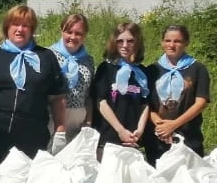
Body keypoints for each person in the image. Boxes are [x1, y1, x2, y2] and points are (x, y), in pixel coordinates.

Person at [0, 5, 67, 177]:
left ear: (32, 30)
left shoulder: (46, 57)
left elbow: (57, 97)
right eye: (15, 24)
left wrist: (60, 129)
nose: (20, 29)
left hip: (31, 135)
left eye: (26, 25)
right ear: (7, 27)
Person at [145, 24, 210, 164]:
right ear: (162, 42)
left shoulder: (198, 69)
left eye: (177, 41)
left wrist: (173, 125)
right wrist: (161, 126)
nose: (171, 45)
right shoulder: (152, 70)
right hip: (158, 138)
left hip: (188, 137)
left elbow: (201, 102)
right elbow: (146, 104)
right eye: (167, 40)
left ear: (186, 43)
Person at [91, 22, 151, 155]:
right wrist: (120, 130)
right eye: (120, 41)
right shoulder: (106, 68)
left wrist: (140, 130)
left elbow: (145, 104)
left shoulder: (141, 72)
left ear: (137, 42)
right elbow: (101, 103)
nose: (125, 45)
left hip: (133, 139)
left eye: (130, 41)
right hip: (108, 139)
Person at [47, 13, 95, 152]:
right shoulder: (49, 55)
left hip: (78, 117)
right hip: (52, 116)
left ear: (84, 35)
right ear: (61, 30)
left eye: (78, 33)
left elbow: (89, 94)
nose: (73, 37)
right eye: (69, 32)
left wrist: (88, 122)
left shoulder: (88, 60)